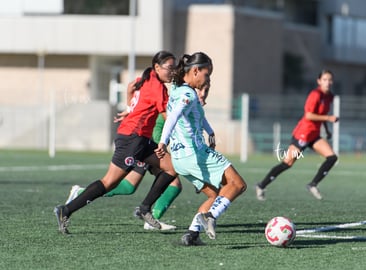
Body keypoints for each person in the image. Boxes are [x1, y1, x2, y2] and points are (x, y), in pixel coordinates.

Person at [54, 50, 178, 234]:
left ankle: (145, 209)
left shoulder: (147, 77)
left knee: (171, 169)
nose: (173, 71)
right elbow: (168, 116)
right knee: (109, 183)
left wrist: (130, 108)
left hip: (140, 138)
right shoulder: (158, 88)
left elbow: (130, 87)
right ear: (157, 67)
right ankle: (66, 210)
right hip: (132, 139)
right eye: (170, 67)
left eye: (174, 67)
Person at [156, 52, 247, 245]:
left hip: (180, 160)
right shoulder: (188, 94)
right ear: (195, 71)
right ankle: (211, 216)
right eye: (206, 75)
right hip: (195, 153)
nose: (207, 80)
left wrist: (210, 132)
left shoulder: (178, 90)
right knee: (238, 184)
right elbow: (173, 117)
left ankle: (192, 234)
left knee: (214, 194)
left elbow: (196, 115)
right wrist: (163, 142)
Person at [255, 69, 339, 201]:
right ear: (319, 81)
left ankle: (313, 185)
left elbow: (322, 115)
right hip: (303, 134)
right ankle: (261, 185)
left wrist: (327, 130)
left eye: (329, 80)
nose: (327, 82)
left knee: (332, 157)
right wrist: (328, 118)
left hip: (314, 135)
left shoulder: (329, 96)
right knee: (287, 163)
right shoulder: (315, 94)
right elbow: (309, 115)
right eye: (324, 80)